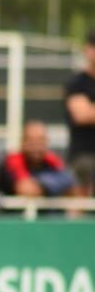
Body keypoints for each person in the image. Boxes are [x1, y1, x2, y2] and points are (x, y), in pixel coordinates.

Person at [0, 120, 73, 199]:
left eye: (40, 140)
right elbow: (26, 189)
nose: (36, 146)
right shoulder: (12, 162)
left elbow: (72, 186)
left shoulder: (52, 162)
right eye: (31, 141)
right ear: (22, 142)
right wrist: (49, 185)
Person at [63, 29, 95, 196]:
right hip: (84, 155)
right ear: (87, 49)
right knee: (78, 204)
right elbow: (82, 116)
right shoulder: (77, 83)